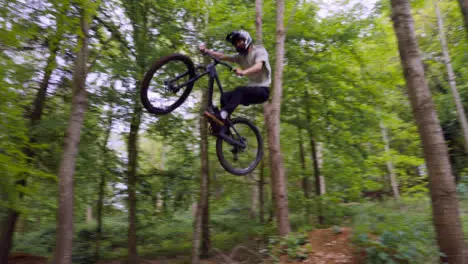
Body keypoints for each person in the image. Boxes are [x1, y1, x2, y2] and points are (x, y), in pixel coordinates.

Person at [199, 30, 271, 128]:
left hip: (263, 91)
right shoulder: (240, 57)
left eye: (239, 41)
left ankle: (222, 115)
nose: (238, 44)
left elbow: (258, 66)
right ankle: (224, 126)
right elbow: (223, 56)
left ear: (246, 40)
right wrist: (207, 51)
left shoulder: (259, 50)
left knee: (239, 90)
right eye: (236, 43)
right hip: (251, 92)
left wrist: (243, 72)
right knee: (224, 97)